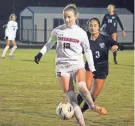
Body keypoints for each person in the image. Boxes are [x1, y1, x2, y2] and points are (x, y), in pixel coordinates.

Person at [34, 4, 107, 126]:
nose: (67, 20)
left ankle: (92, 106)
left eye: (69, 17)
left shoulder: (82, 33)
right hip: (61, 68)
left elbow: (88, 51)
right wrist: (40, 54)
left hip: (77, 65)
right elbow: (49, 43)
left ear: (76, 17)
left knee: (82, 87)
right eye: (65, 17)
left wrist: (92, 67)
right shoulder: (57, 31)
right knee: (73, 101)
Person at [77, 18, 124, 113]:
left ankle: (81, 111)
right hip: (90, 66)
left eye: (95, 25)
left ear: (99, 27)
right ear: (88, 27)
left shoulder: (105, 38)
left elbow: (120, 46)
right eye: (90, 25)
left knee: (93, 95)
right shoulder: (84, 38)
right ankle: (73, 108)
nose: (92, 27)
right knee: (85, 87)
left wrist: (117, 46)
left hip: (102, 68)